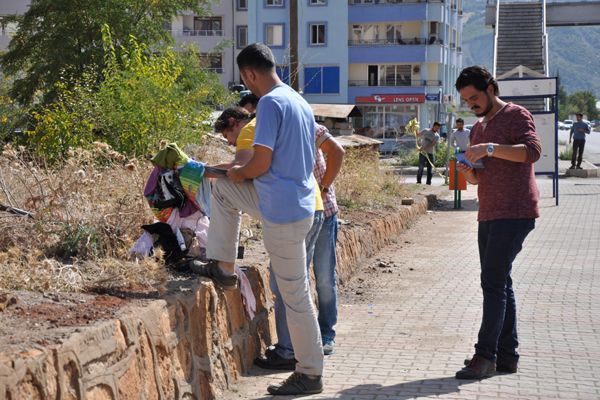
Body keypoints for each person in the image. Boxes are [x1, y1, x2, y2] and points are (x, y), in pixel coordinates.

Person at [198, 43, 324, 395]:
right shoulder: (298, 101)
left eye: (245, 80)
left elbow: (261, 163)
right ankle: (223, 267)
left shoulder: (269, 103)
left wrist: (239, 171)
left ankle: (310, 373)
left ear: (250, 74)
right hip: (300, 205)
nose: (247, 87)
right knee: (222, 191)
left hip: (281, 212)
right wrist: (237, 175)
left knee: (296, 296)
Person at [454, 66, 541, 379]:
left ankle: (485, 355)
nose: (471, 105)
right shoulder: (477, 128)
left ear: (490, 88)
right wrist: (470, 172)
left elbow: (532, 152)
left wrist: (489, 148)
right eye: (466, 101)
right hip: (489, 211)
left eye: (475, 98)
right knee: (500, 283)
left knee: (492, 283)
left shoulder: (517, 115)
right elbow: (480, 177)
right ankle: (506, 357)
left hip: (515, 211)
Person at [255, 124, 345, 370]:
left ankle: (326, 334)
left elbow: (337, 152)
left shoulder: (309, 126)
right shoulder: (272, 131)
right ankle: (303, 342)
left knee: (324, 277)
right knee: (299, 281)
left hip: (324, 211)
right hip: (300, 213)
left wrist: (324, 187)